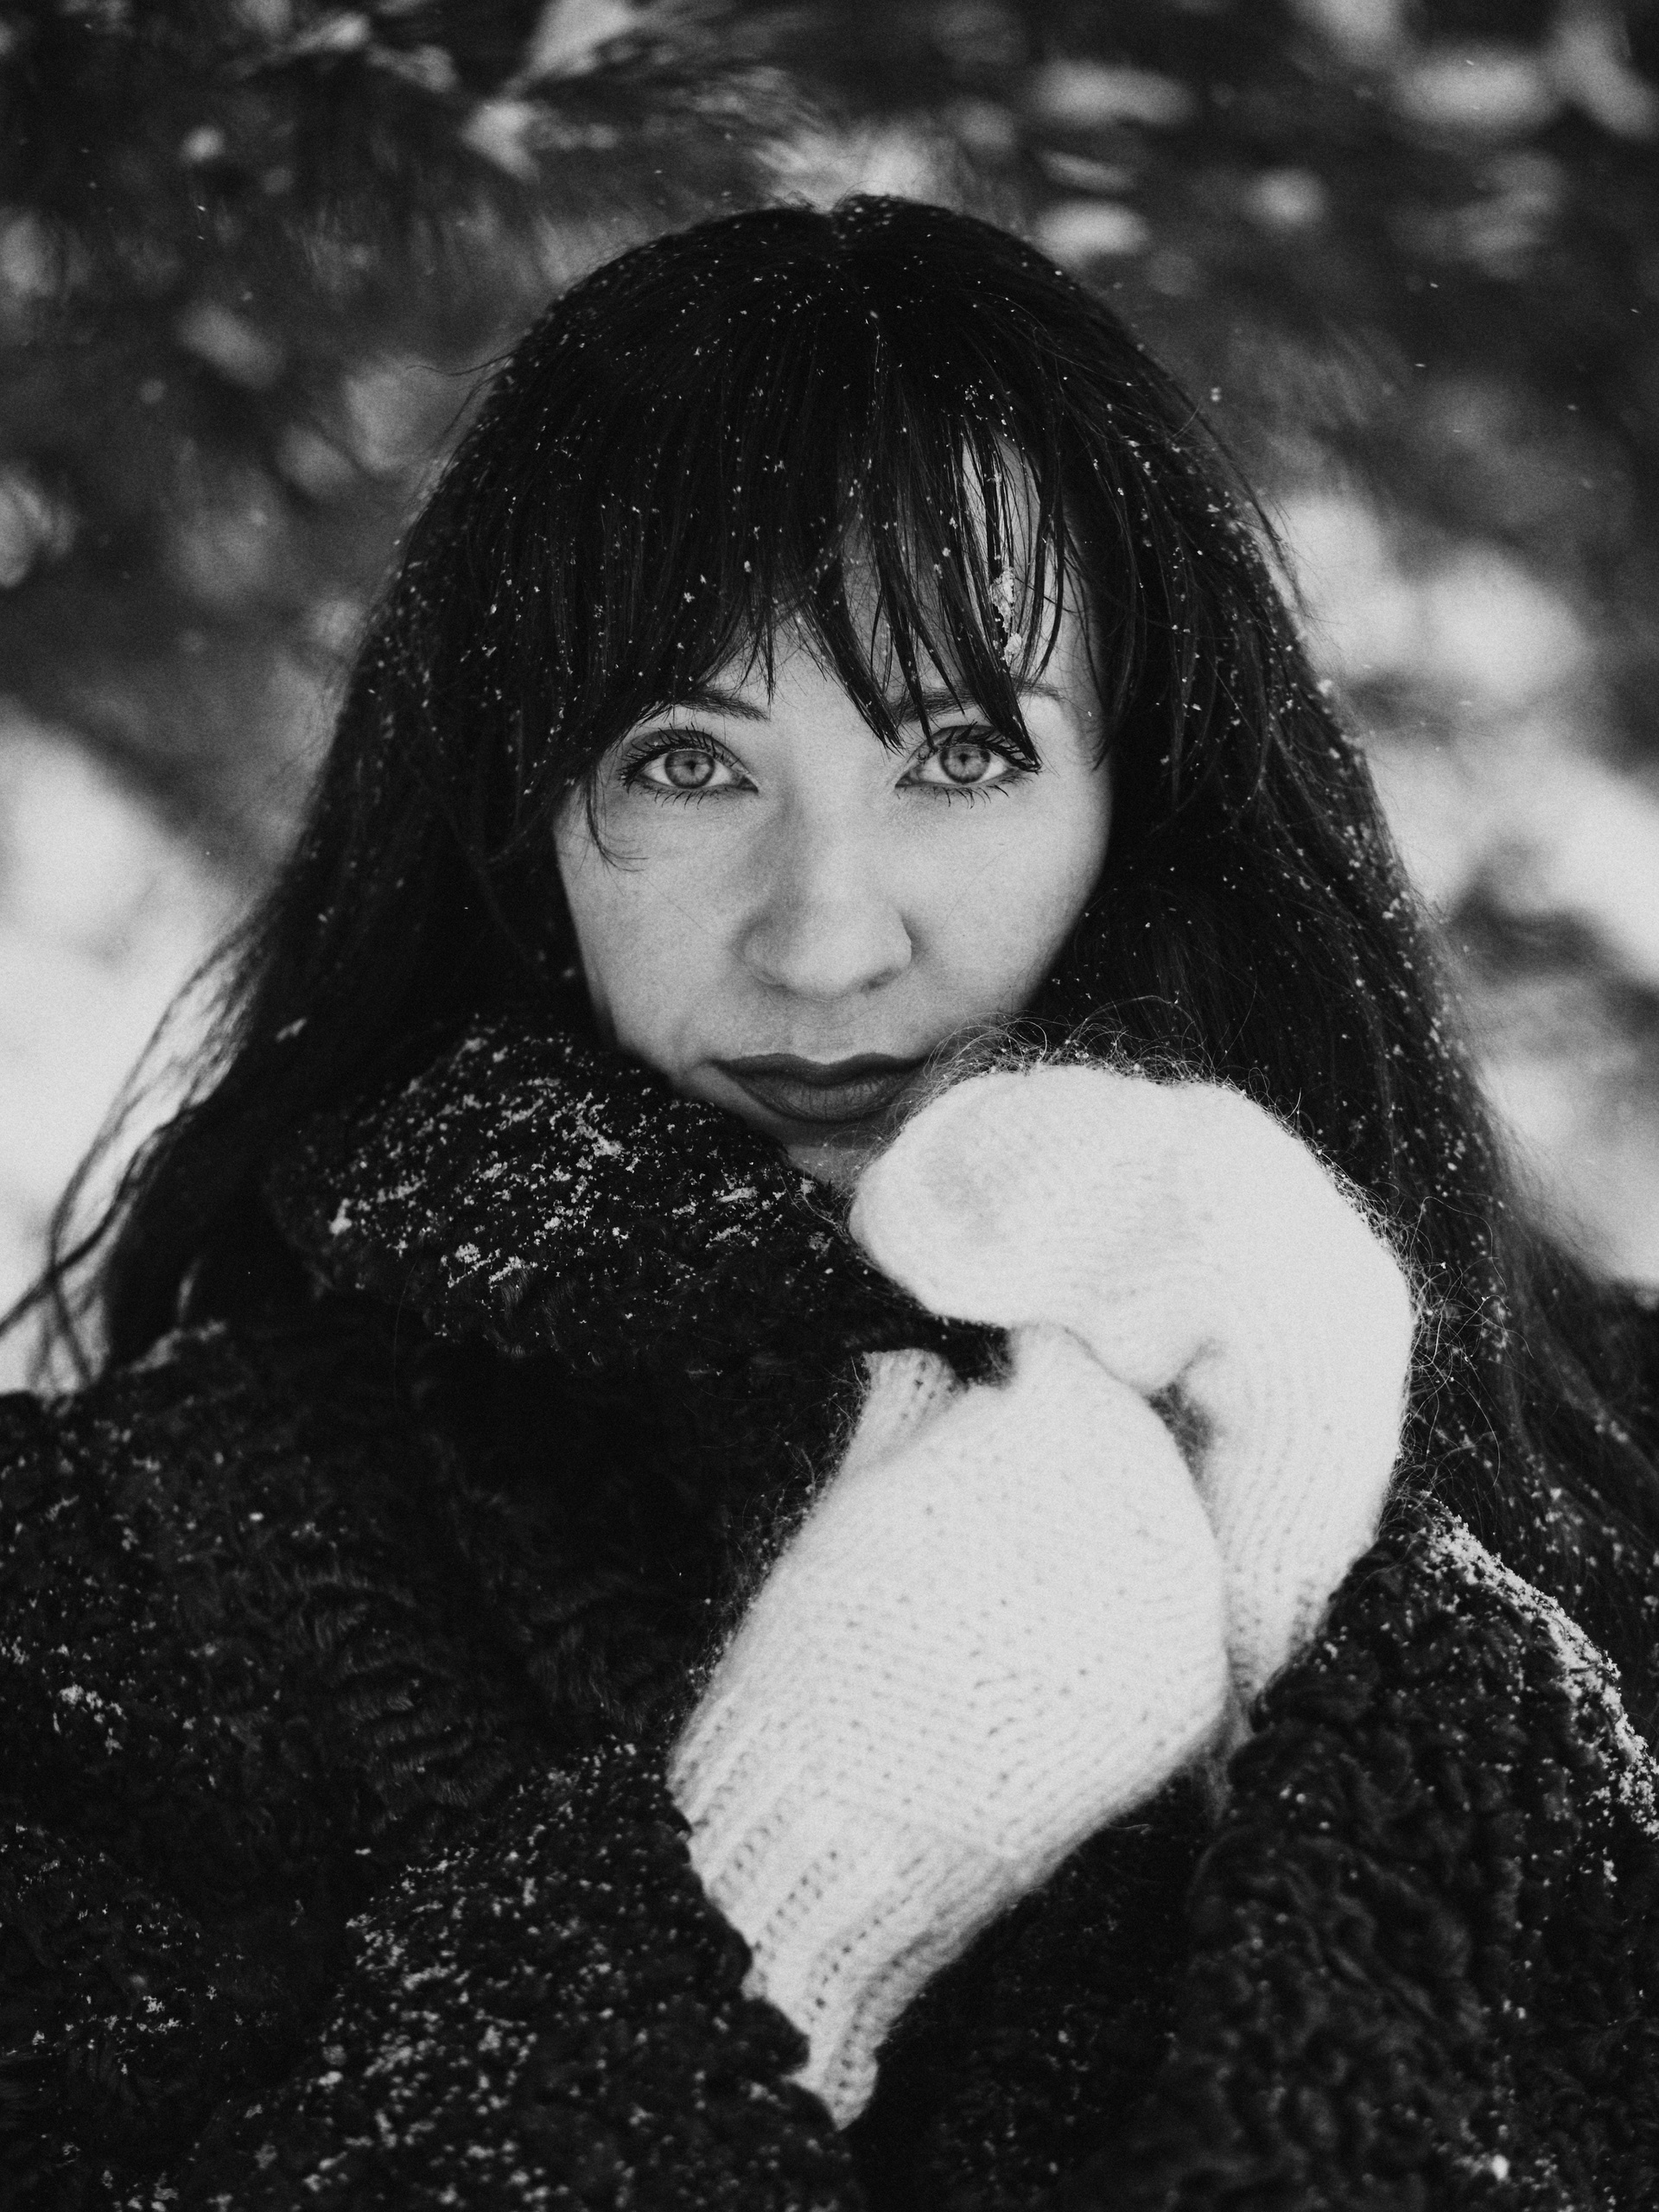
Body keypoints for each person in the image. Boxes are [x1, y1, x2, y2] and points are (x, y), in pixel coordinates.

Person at [3, 195, 1658, 2212]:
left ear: (1144, 785)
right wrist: (775, 1877)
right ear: (522, 811)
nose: (823, 935)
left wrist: (1339, 1660)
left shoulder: (1609, 1450)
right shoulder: (151, 1567)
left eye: (956, 749)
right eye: (686, 763)